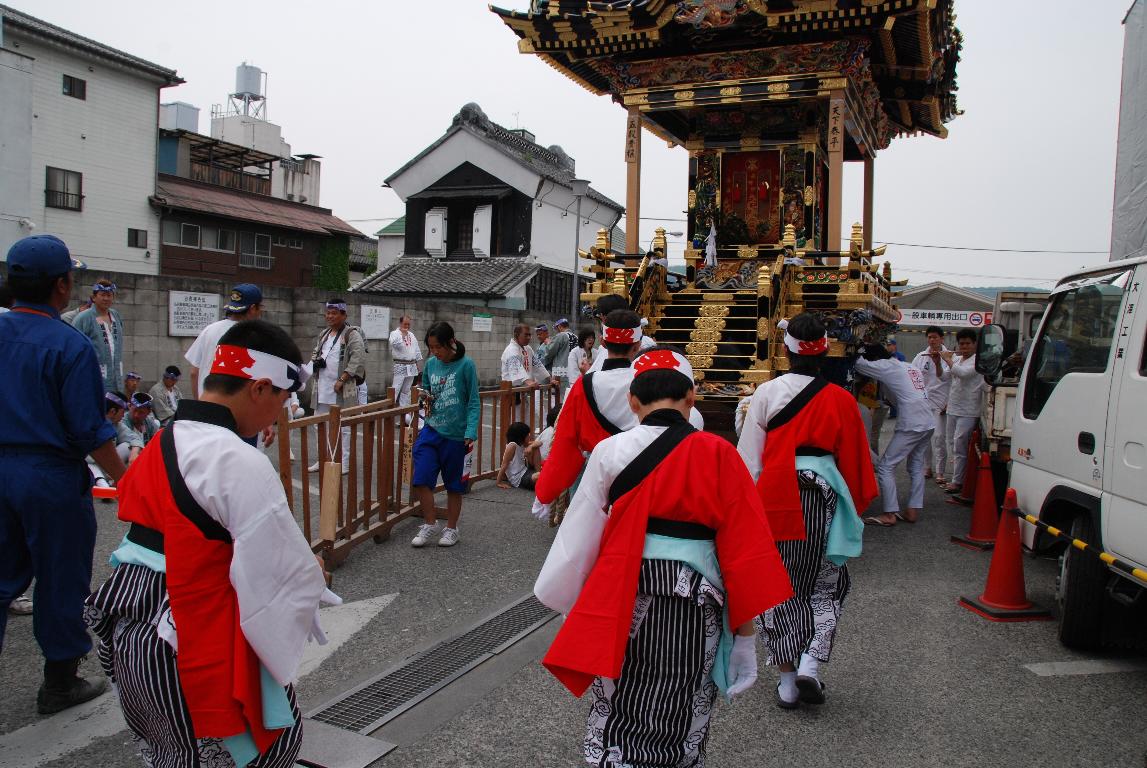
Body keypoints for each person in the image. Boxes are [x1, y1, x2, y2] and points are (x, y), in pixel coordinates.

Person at [84, 319, 334, 767]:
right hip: (191, 632)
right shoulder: (239, 460)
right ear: (259, 388)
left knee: (169, 751)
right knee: (249, 750)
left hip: (129, 624)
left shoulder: (160, 440)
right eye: (281, 398)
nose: (279, 411)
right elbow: (276, 570)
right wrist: (313, 574)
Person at [535, 347, 793, 767]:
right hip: (697, 595)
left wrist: (573, 607)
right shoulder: (720, 453)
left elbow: (580, 536)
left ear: (633, 402)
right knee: (686, 695)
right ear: (692, 400)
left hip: (624, 590)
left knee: (620, 691)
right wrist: (745, 638)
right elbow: (743, 551)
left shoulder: (610, 452)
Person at [0, 234, 127, 714]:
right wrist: (125, 482)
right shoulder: (69, 345)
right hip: (49, 476)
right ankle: (59, 683)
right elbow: (89, 431)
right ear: (61, 286)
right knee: (60, 576)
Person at [736, 314, 878, 708]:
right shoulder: (842, 400)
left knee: (779, 586)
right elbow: (856, 465)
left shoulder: (765, 394)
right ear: (825, 351)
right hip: (826, 496)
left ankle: (785, 681)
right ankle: (810, 667)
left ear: (786, 350)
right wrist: (855, 507)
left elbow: (750, 459)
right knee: (826, 585)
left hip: (778, 495)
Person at [534, 310, 705, 512]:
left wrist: (546, 490)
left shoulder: (586, 384)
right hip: (656, 477)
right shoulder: (649, 382)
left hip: (604, 477)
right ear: (638, 345)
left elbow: (566, 442)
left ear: (602, 343)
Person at [410, 322, 480, 548]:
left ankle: (451, 528)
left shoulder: (466, 365)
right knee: (421, 478)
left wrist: (470, 431)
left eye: (438, 347)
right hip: (431, 429)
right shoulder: (431, 364)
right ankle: (430, 523)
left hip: (456, 435)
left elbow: (473, 401)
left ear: (450, 342)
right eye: (431, 347)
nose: (434, 352)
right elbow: (427, 394)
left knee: (454, 486)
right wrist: (424, 397)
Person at [853, 342, 935, 526]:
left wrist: (856, 347)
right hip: (928, 422)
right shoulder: (908, 366)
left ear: (875, 359)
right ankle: (913, 509)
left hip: (911, 423)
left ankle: (889, 514)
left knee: (886, 466)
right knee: (915, 466)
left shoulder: (885, 366)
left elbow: (858, 364)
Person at [307, 299, 367, 474]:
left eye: (334, 313)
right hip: (322, 386)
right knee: (319, 424)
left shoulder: (351, 334)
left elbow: (358, 358)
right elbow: (315, 352)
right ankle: (323, 458)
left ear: (343, 314)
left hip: (342, 388)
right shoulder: (324, 334)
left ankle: (344, 463)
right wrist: (314, 363)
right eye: (328, 313)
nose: (330, 316)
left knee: (344, 426)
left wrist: (343, 377)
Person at [185, 283, 263, 397]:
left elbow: (194, 373)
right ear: (252, 308)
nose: (260, 312)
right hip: (235, 409)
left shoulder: (209, 330)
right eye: (260, 307)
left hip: (206, 405)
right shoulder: (254, 335)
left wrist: (199, 403)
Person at [942, 329, 986, 494]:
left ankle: (957, 481)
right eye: (961, 344)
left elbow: (964, 374)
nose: (964, 346)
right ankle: (958, 477)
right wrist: (938, 361)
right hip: (953, 406)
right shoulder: (957, 359)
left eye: (968, 343)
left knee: (960, 445)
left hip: (969, 409)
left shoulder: (977, 361)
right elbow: (944, 377)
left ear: (975, 344)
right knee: (952, 443)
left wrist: (947, 359)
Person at [911, 326, 951, 485]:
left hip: (942, 402)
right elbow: (913, 377)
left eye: (935, 337)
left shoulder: (949, 357)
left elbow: (951, 380)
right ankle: (927, 467)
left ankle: (940, 471)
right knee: (924, 437)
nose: (932, 340)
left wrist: (949, 401)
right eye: (929, 337)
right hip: (924, 401)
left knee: (939, 437)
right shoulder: (921, 356)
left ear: (942, 339)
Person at [72, 277, 125, 392]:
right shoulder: (83, 318)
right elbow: (73, 349)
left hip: (117, 380)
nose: (106, 298)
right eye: (102, 295)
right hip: (93, 380)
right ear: (94, 297)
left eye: (109, 295)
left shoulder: (116, 316)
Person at [500, 323, 550, 421]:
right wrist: (529, 382)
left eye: (529, 335)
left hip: (523, 391)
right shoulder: (511, 350)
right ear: (516, 335)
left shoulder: (528, 348)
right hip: (512, 391)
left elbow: (537, 364)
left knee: (525, 421)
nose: (529, 337)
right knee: (515, 421)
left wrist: (550, 379)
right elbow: (516, 368)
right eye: (525, 335)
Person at [388, 314, 423, 410]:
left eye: (408, 324)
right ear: (400, 323)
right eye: (405, 324)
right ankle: (390, 413)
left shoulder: (411, 335)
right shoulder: (394, 333)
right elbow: (394, 344)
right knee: (395, 389)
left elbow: (416, 349)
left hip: (411, 365)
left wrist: (417, 365)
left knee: (406, 391)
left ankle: (403, 414)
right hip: (400, 365)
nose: (407, 326)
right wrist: (402, 335)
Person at [496, 421, 541, 491]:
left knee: (535, 447)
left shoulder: (522, 443)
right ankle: (539, 475)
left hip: (526, 471)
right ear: (521, 437)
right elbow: (504, 464)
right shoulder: (512, 445)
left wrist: (531, 446)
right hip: (518, 478)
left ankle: (538, 472)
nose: (529, 436)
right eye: (527, 435)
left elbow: (539, 443)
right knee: (540, 476)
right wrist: (499, 482)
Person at [546, 318, 578, 386]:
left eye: (556, 328)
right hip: (574, 370)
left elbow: (550, 351)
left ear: (560, 327)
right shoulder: (576, 337)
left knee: (561, 394)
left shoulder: (561, 335)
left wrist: (548, 343)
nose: (556, 331)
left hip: (561, 371)